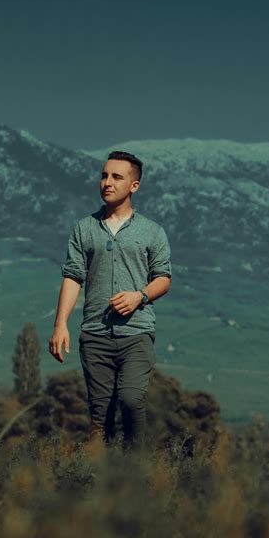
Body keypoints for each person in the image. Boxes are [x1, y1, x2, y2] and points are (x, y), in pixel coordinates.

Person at [49, 150, 172, 454]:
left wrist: (139, 296)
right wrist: (60, 324)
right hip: (95, 335)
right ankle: (97, 483)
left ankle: (135, 472)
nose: (107, 182)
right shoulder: (84, 229)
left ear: (134, 186)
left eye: (116, 177)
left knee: (131, 399)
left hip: (137, 334)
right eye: (104, 175)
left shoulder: (152, 232)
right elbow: (73, 277)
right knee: (99, 417)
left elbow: (164, 279)